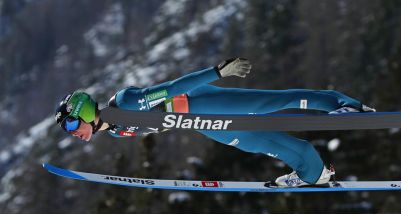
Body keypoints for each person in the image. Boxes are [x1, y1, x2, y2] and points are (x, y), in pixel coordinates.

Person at [53, 58, 375, 187]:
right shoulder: (116, 128)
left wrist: (218, 72)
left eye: (71, 126)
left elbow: (174, 88)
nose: (74, 134)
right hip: (200, 123)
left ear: (84, 113)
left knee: (273, 102)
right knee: (258, 143)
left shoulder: (125, 104)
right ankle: (312, 169)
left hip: (201, 103)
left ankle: (344, 104)